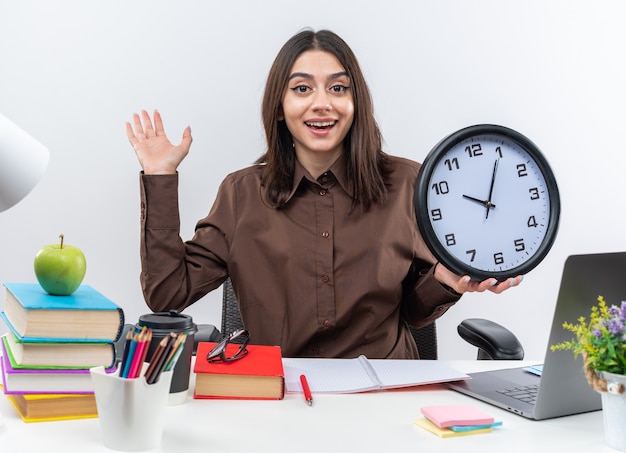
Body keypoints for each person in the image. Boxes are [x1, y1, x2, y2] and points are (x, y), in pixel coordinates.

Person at [126, 29, 521, 359]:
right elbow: (166, 293)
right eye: (302, 88)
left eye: (338, 88)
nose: (322, 103)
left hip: (386, 394)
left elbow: (415, 314)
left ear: (355, 103)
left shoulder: (407, 183)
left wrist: (447, 279)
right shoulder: (241, 194)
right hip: (279, 396)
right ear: (280, 107)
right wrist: (160, 177)